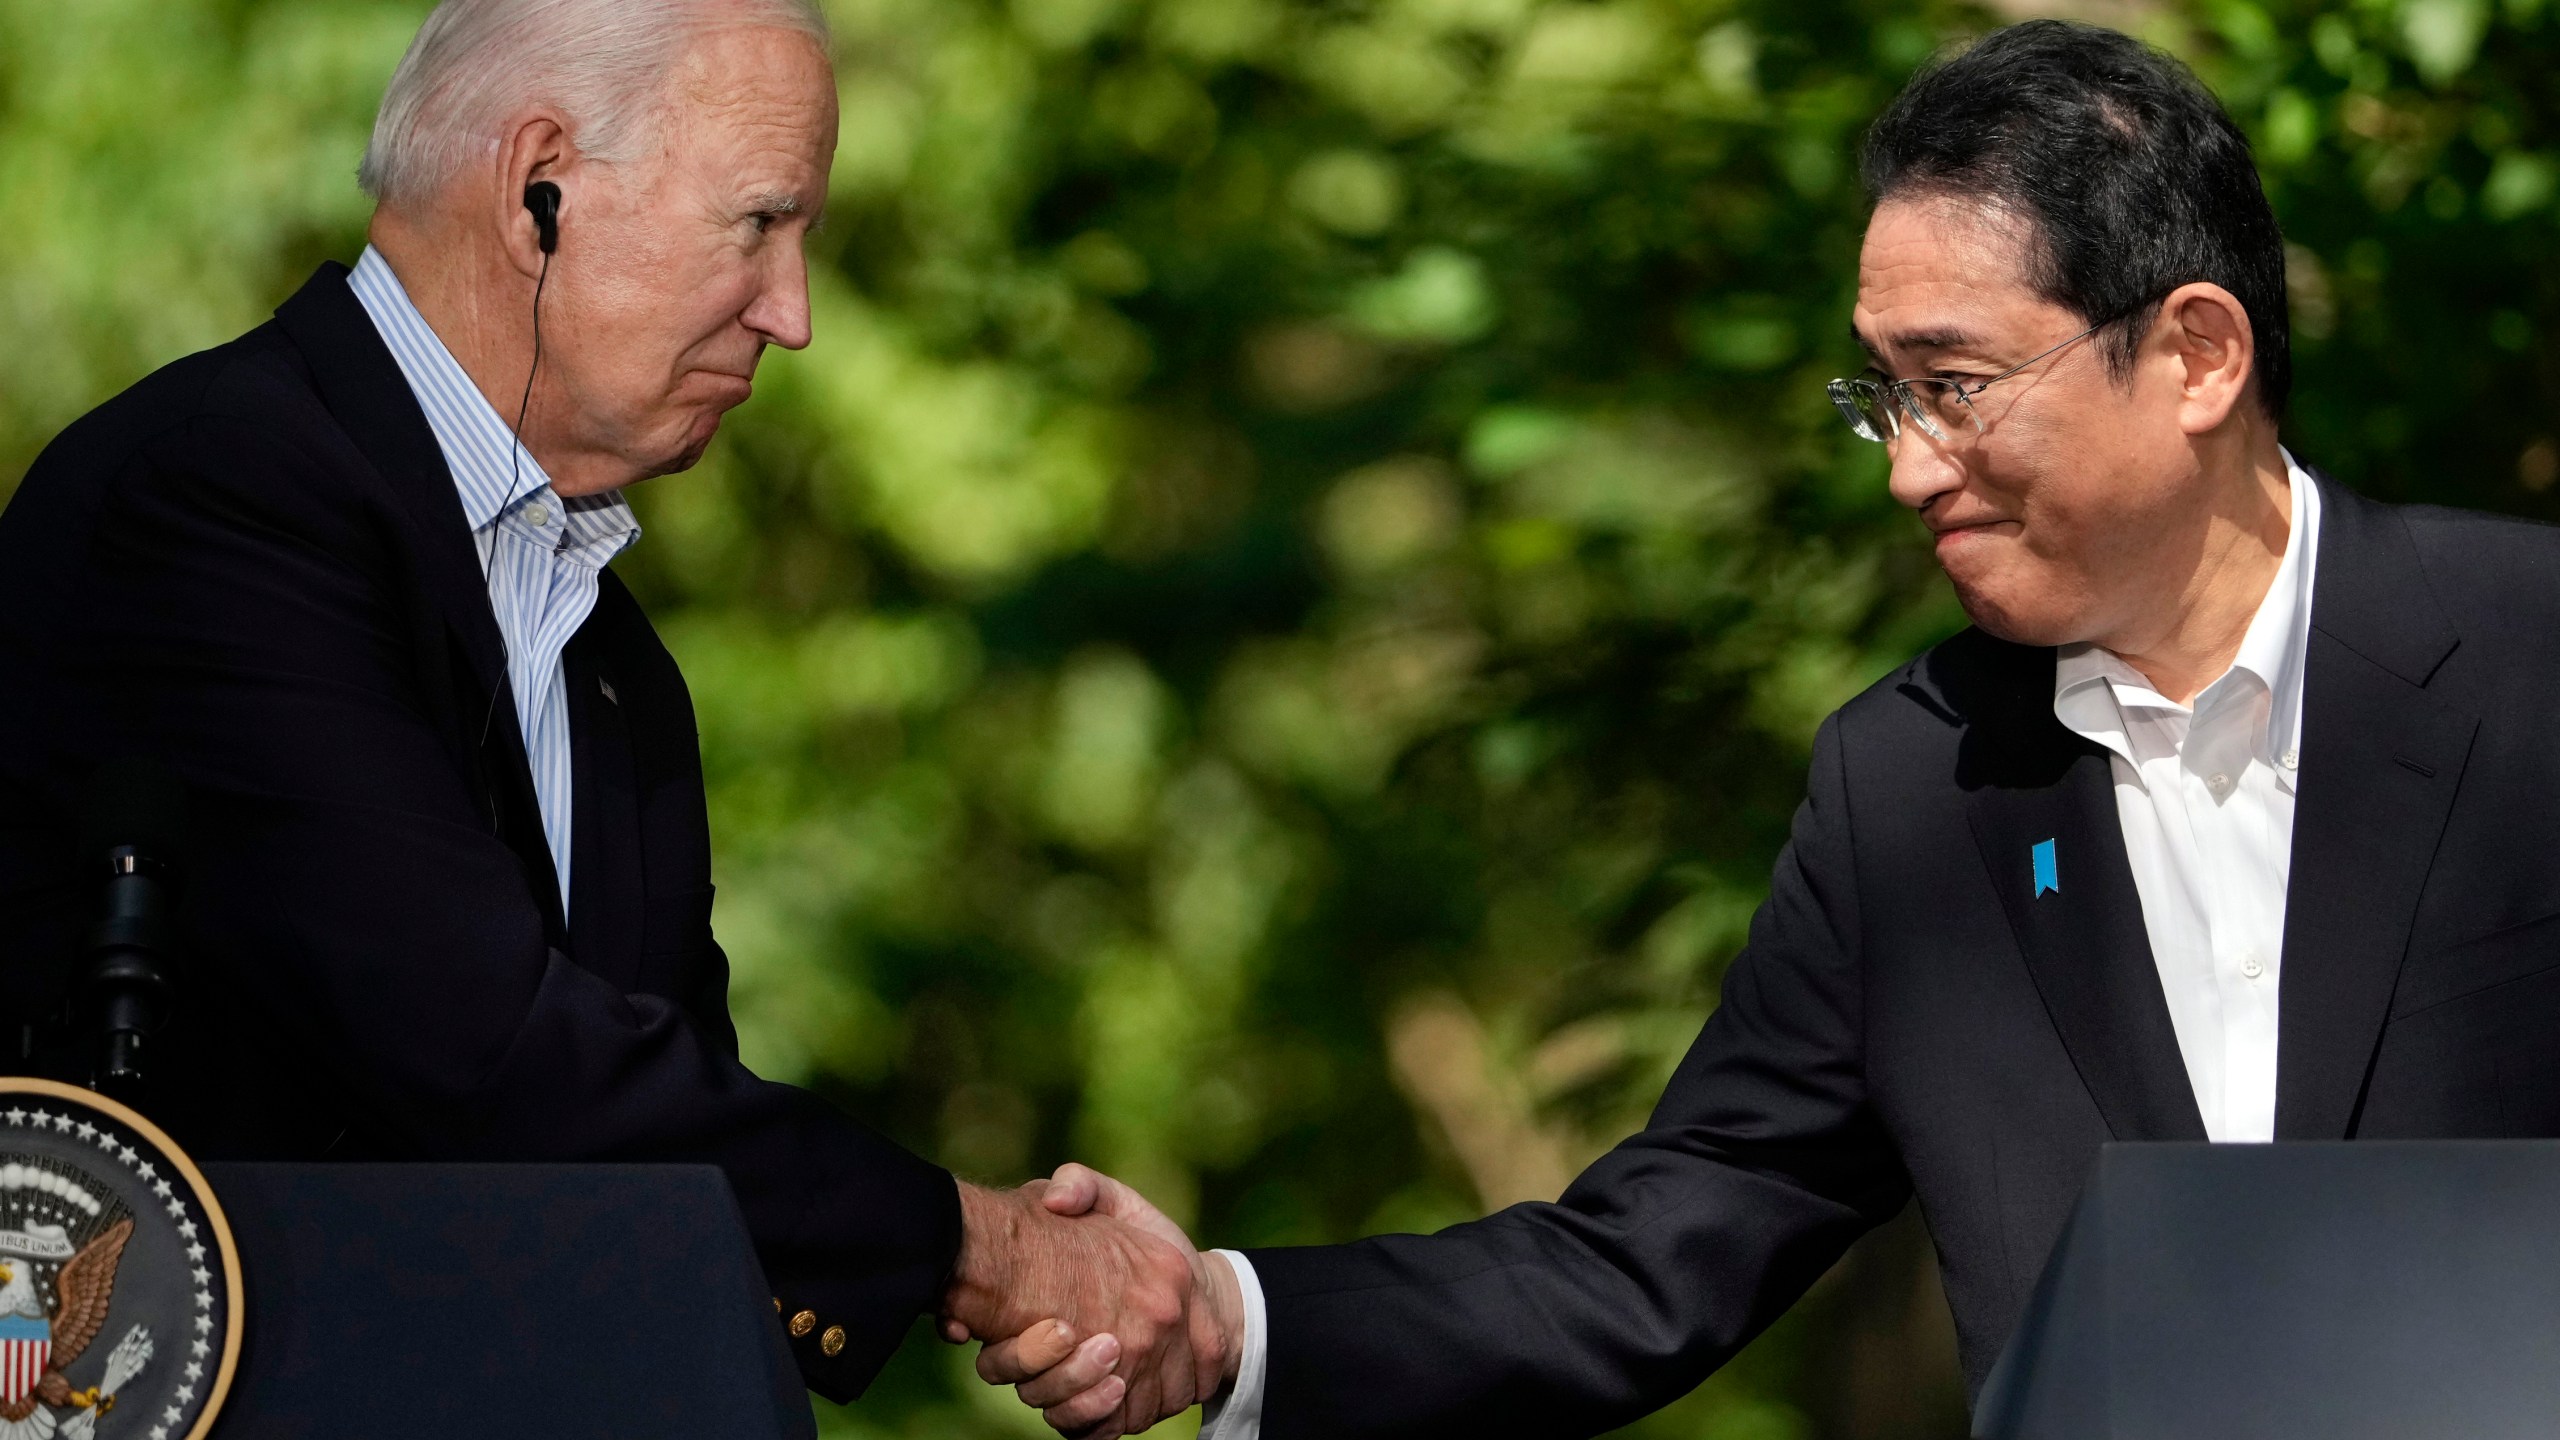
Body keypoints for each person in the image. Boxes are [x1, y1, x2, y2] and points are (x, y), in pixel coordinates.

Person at [992, 18, 2560, 1438]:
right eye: (1884, 397)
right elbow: (1663, 1246)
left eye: (1956, 386)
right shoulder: (1908, 788)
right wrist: (1230, 1322)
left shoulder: (2530, 657)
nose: (1908, 470)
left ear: (2198, 354)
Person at [0, 0, 1221, 1424]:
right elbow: (484, 1061)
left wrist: (972, 1257)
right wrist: (988, 1249)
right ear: (540, 193)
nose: (795, 313)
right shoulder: (216, 499)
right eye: (758, 224)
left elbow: (659, 1149)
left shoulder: (608, 651)